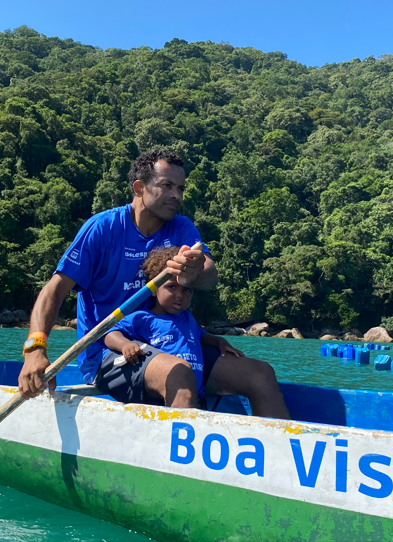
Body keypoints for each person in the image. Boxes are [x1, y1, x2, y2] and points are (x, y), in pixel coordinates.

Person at [17, 149, 290, 418]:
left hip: (171, 343)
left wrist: (195, 269)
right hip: (109, 351)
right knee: (179, 373)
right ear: (139, 187)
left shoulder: (180, 228)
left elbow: (209, 272)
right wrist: (35, 349)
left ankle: (282, 459)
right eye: (167, 185)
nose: (177, 195)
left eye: (181, 188)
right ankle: (181, 458)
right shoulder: (102, 229)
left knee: (261, 375)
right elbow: (54, 289)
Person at [100, 246, 288, 416]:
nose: (179, 295)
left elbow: (201, 336)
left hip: (197, 392)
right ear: (154, 289)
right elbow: (110, 333)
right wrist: (126, 345)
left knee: (262, 370)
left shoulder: (187, 319)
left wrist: (219, 342)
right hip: (166, 392)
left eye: (186, 290)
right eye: (171, 287)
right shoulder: (143, 318)